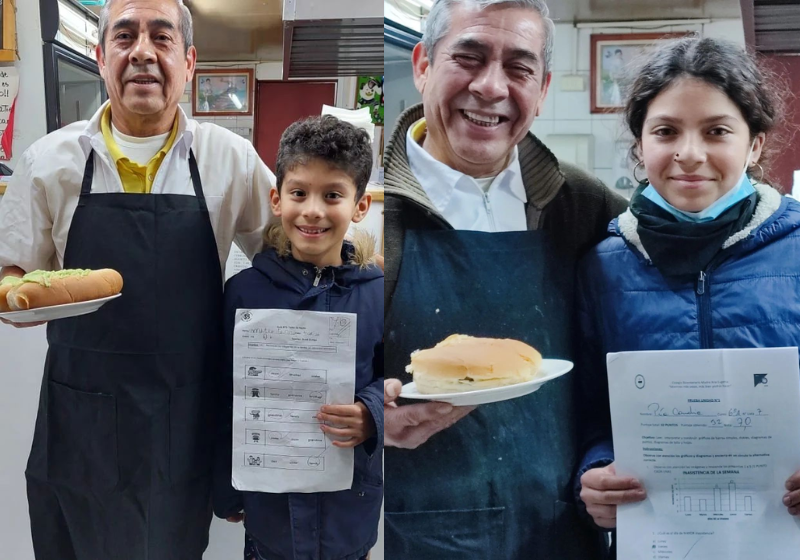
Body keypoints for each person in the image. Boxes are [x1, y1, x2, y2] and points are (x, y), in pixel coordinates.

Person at [0, 0, 275, 558]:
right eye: (124, 36)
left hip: (183, 424)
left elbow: (289, 255)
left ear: (190, 61)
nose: (142, 52)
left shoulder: (232, 160)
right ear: (101, 58)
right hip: (79, 429)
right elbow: (13, 278)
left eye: (162, 37)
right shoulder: (48, 160)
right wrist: (20, 297)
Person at [381, 0, 628, 557]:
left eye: (518, 69)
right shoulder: (363, 217)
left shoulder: (585, 207)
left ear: (541, 91)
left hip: (562, 531)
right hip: (414, 533)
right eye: (468, 57)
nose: (490, 87)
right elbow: (298, 376)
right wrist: (371, 417)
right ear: (422, 65)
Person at [575, 35, 800, 545]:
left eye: (717, 131)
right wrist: (594, 474)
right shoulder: (603, 265)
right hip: (658, 540)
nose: (690, 154)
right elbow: (588, 411)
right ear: (640, 144)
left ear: (755, 143)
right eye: (666, 131)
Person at [212, 115, 384, 560]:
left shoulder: (378, 292)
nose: (313, 210)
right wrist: (226, 489)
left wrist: (372, 414)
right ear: (276, 198)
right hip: (269, 518)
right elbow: (223, 395)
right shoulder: (244, 291)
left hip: (349, 512)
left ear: (359, 206)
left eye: (333, 195)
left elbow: (398, 375)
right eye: (299, 193)